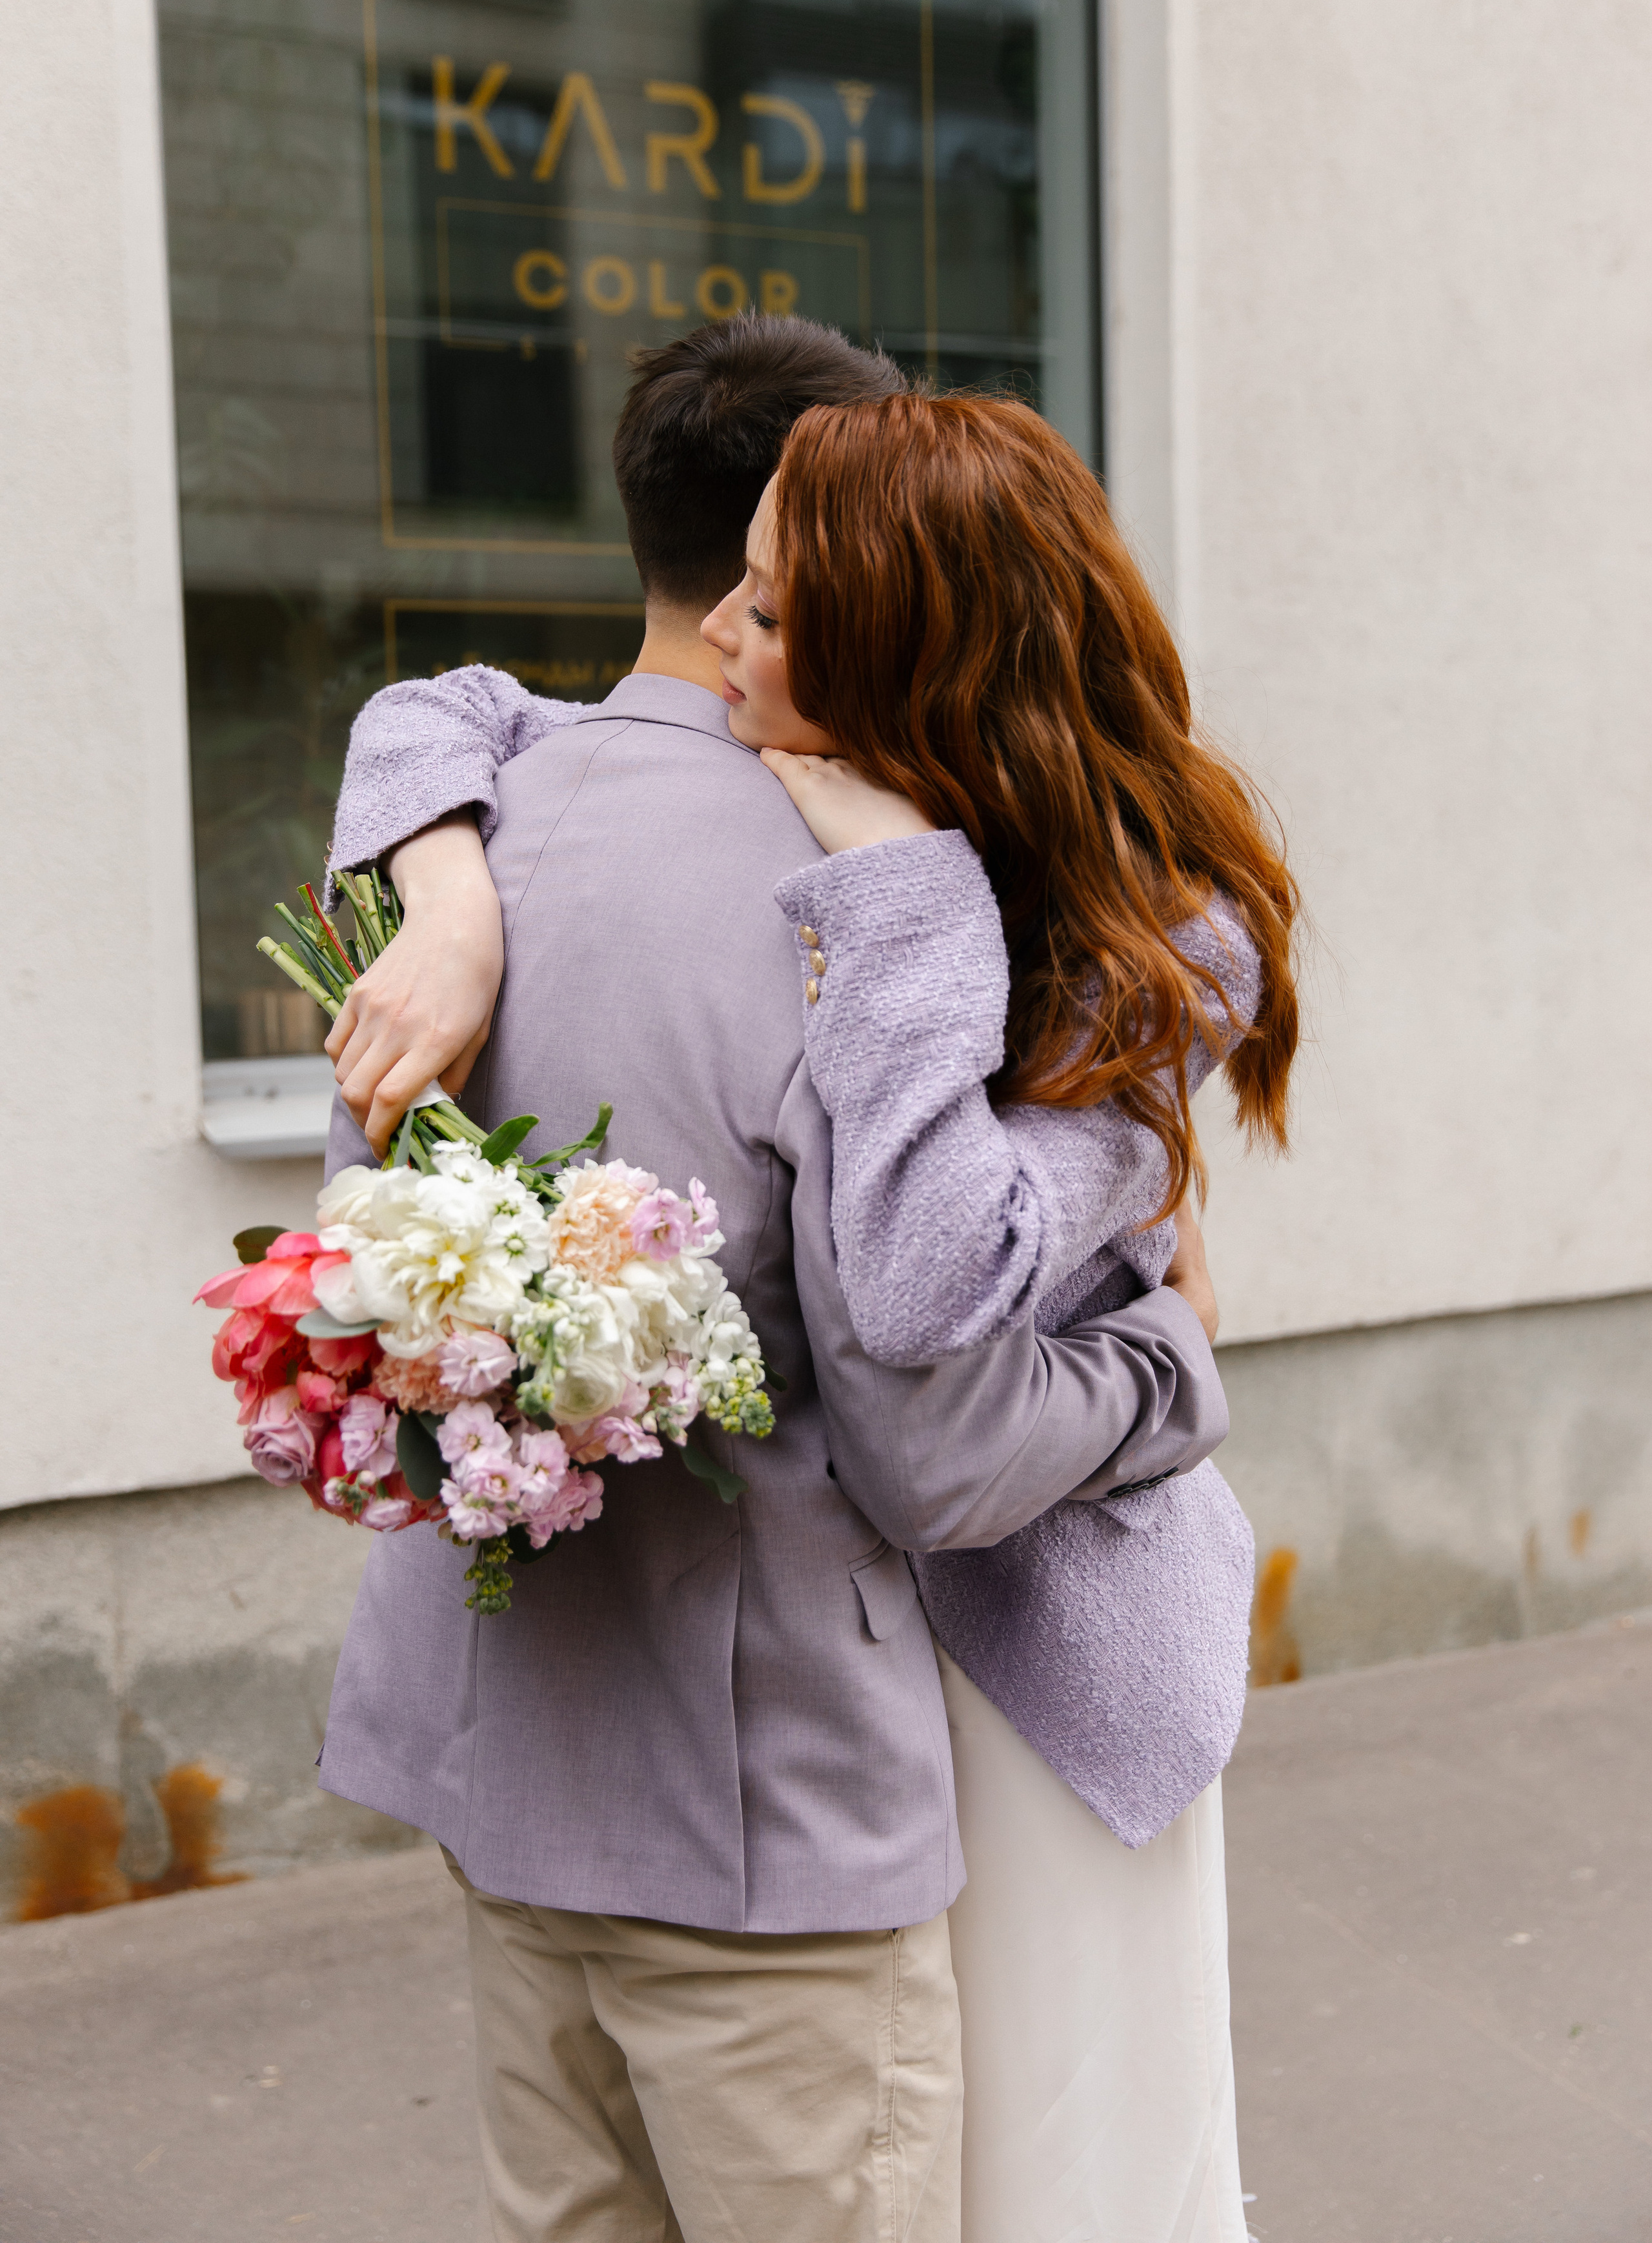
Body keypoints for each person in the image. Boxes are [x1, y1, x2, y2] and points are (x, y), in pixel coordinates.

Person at [316, 314, 1234, 2243]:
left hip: (501, 1782)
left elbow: (372, 1292)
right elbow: (937, 1445)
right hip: (766, 1827)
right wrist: (1167, 1373)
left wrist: (450, 880)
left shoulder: (452, 856)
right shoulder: (904, 897)